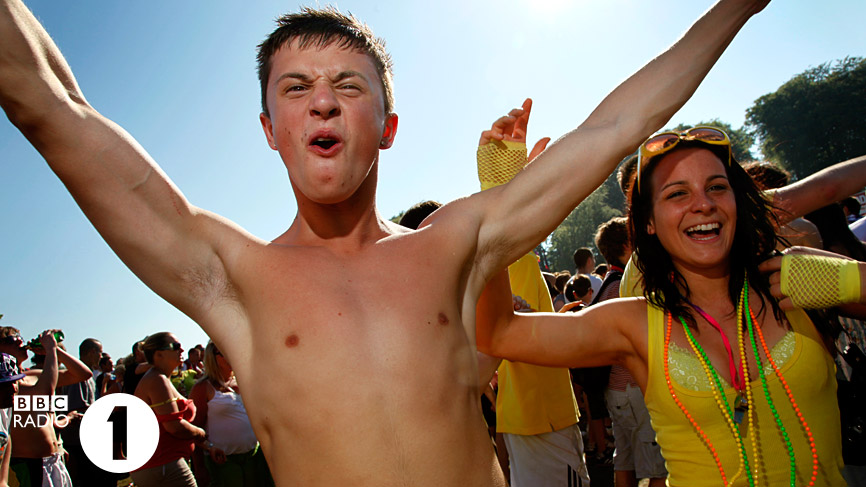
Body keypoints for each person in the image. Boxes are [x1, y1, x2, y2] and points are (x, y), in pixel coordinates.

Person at [0, 0, 772, 484]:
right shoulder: (230, 275)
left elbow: (614, 128)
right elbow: (54, 104)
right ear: (270, 132)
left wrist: (734, 9)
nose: (323, 102)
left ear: (388, 127)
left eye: (350, 85)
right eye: (295, 89)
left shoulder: (456, 243)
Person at [477, 126, 858, 485]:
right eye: (677, 193)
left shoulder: (795, 281)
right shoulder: (636, 322)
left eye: (717, 187)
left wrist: (854, 279)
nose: (703, 204)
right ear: (648, 223)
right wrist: (499, 204)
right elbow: (499, 333)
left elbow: (829, 188)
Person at [3, 329, 90, 487]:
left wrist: (56, 350)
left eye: (19, 337)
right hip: (28, 465)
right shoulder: (6, 386)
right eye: (10, 340)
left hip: (53, 461)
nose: (18, 341)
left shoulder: (32, 375)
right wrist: (50, 350)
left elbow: (83, 374)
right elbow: (44, 393)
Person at [190, 342, 273, 487]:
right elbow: (195, 430)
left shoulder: (243, 382)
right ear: (213, 357)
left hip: (253, 458)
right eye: (224, 352)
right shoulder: (203, 387)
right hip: (224, 462)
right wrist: (199, 468)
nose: (231, 355)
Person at [133, 332, 207, 487]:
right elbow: (174, 426)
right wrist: (201, 433)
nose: (182, 350)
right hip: (162, 463)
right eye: (176, 346)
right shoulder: (157, 380)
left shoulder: (160, 378)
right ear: (158, 354)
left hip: (163, 463)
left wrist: (209, 446)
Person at [0, 352, 24, 487]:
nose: (13, 388)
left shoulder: (5, 411)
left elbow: (2, 481)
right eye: (4, 385)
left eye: (14, 381)